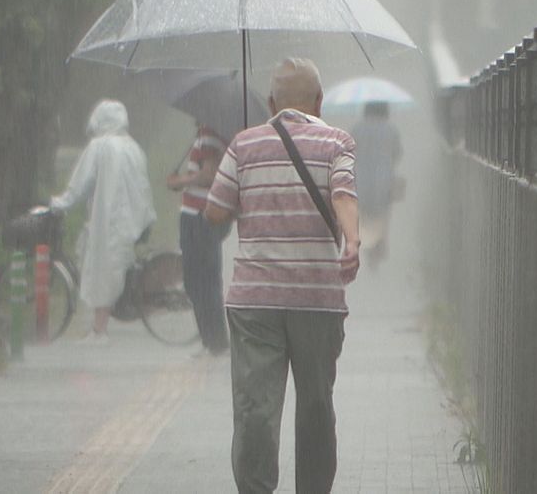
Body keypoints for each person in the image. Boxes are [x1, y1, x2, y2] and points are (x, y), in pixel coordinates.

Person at [204, 58, 361, 494]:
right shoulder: (336, 142)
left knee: (256, 408)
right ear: (319, 101)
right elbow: (344, 192)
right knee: (315, 407)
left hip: (255, 301)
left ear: (270, 102)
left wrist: (247, 185)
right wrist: (353, 241)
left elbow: (215, 211)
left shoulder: (243, 144)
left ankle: (255, 487)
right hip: (317, 299)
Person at [50, 99, 156, 343]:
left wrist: (59, 203)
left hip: (108, 219)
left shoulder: (100, 146)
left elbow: (80, 184)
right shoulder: (132, 146)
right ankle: (102, 324)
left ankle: (100, 330)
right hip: (134, 217)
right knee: (115, 267)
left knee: (103, 269)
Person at [166, 123, 230, 356]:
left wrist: (179, 182)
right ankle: (212, 339)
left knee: (199, 281)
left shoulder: (210, 134)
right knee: (203, 280)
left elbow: (209, 174)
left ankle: (214, 340)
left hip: (199, 216)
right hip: (202, 215)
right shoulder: (207, 134)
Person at [349, 101, 402, 269]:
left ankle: (367, 248)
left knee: (363, 218)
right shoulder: (391, 129)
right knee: (382, 218)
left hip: (360, 181)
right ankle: (378, 251)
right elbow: (397, 153)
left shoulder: (357, 128)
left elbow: (348, 151)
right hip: (383, 181)